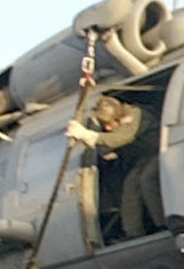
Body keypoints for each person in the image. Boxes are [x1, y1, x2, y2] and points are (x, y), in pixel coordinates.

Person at [66, 94, 162, 241]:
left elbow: (123, 137)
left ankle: (163, 223)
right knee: (130, 187)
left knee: (147, 179)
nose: (108, 128)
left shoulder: (134, 114)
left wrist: (89, 136)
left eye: (108, 124)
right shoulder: (122, 121)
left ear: (118, 117)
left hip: (161, 150)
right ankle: (133, 233)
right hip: (144, 158)